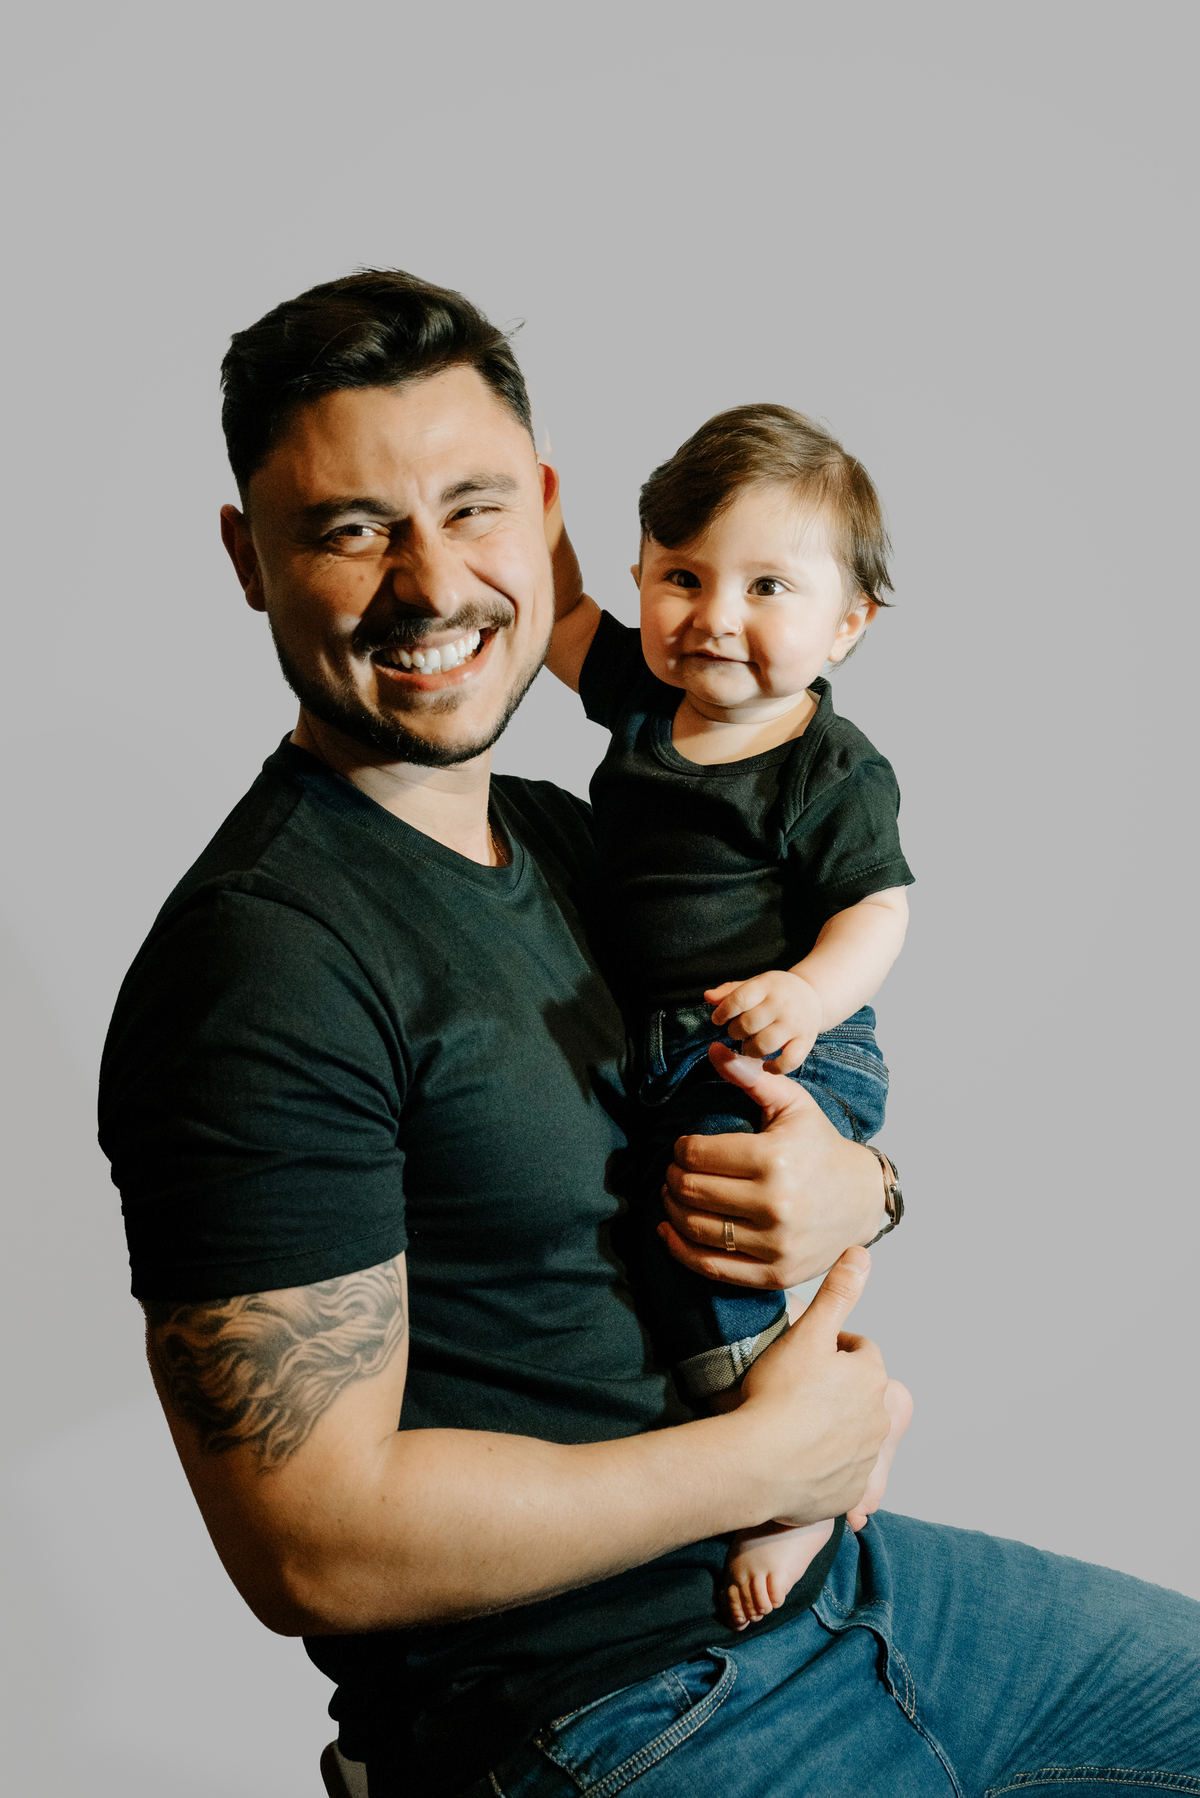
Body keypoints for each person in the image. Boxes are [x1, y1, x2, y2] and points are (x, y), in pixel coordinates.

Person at [98, 269, 1200, 1798]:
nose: (431, 582)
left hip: (841, 1589)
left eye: (473, 510)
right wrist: (766, 1465)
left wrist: (856, 1187)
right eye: (352, 529)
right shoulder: (261, 964)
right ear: (249, 557)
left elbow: (786, 1076)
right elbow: (314, 1546)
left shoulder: (575, 836)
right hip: (606, 1704)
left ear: (546, 517)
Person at [544, 405, 913, 1628]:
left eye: (767, 587)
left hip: (784, 1047)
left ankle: (798, 1472)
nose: (713, 616)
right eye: (683, 577)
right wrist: (536, 526)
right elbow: (560, 619)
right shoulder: (645, 705)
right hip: (655, 1042)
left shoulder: (827, 766)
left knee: (716, 1229)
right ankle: (849, 1401)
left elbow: (878, 910)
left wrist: (806, 991)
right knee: (653, 1238)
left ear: (847, 624)